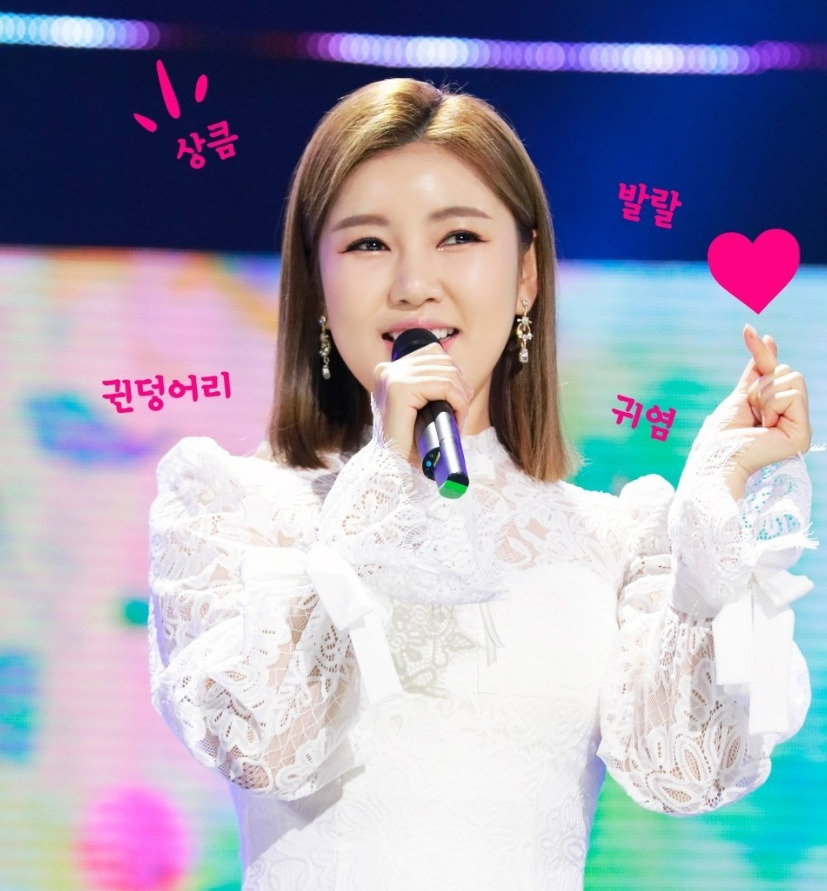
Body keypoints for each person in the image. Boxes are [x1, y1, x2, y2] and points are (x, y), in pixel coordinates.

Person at [147, 78, 817, 890]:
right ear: (317, 286)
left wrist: (710, 521)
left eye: (457, 236)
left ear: (525, 274)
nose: (412, 284)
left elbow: (686, 773)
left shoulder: (613, 537)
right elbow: (265, 747)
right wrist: (389, 475)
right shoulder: (229, 506)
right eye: (367, 244)